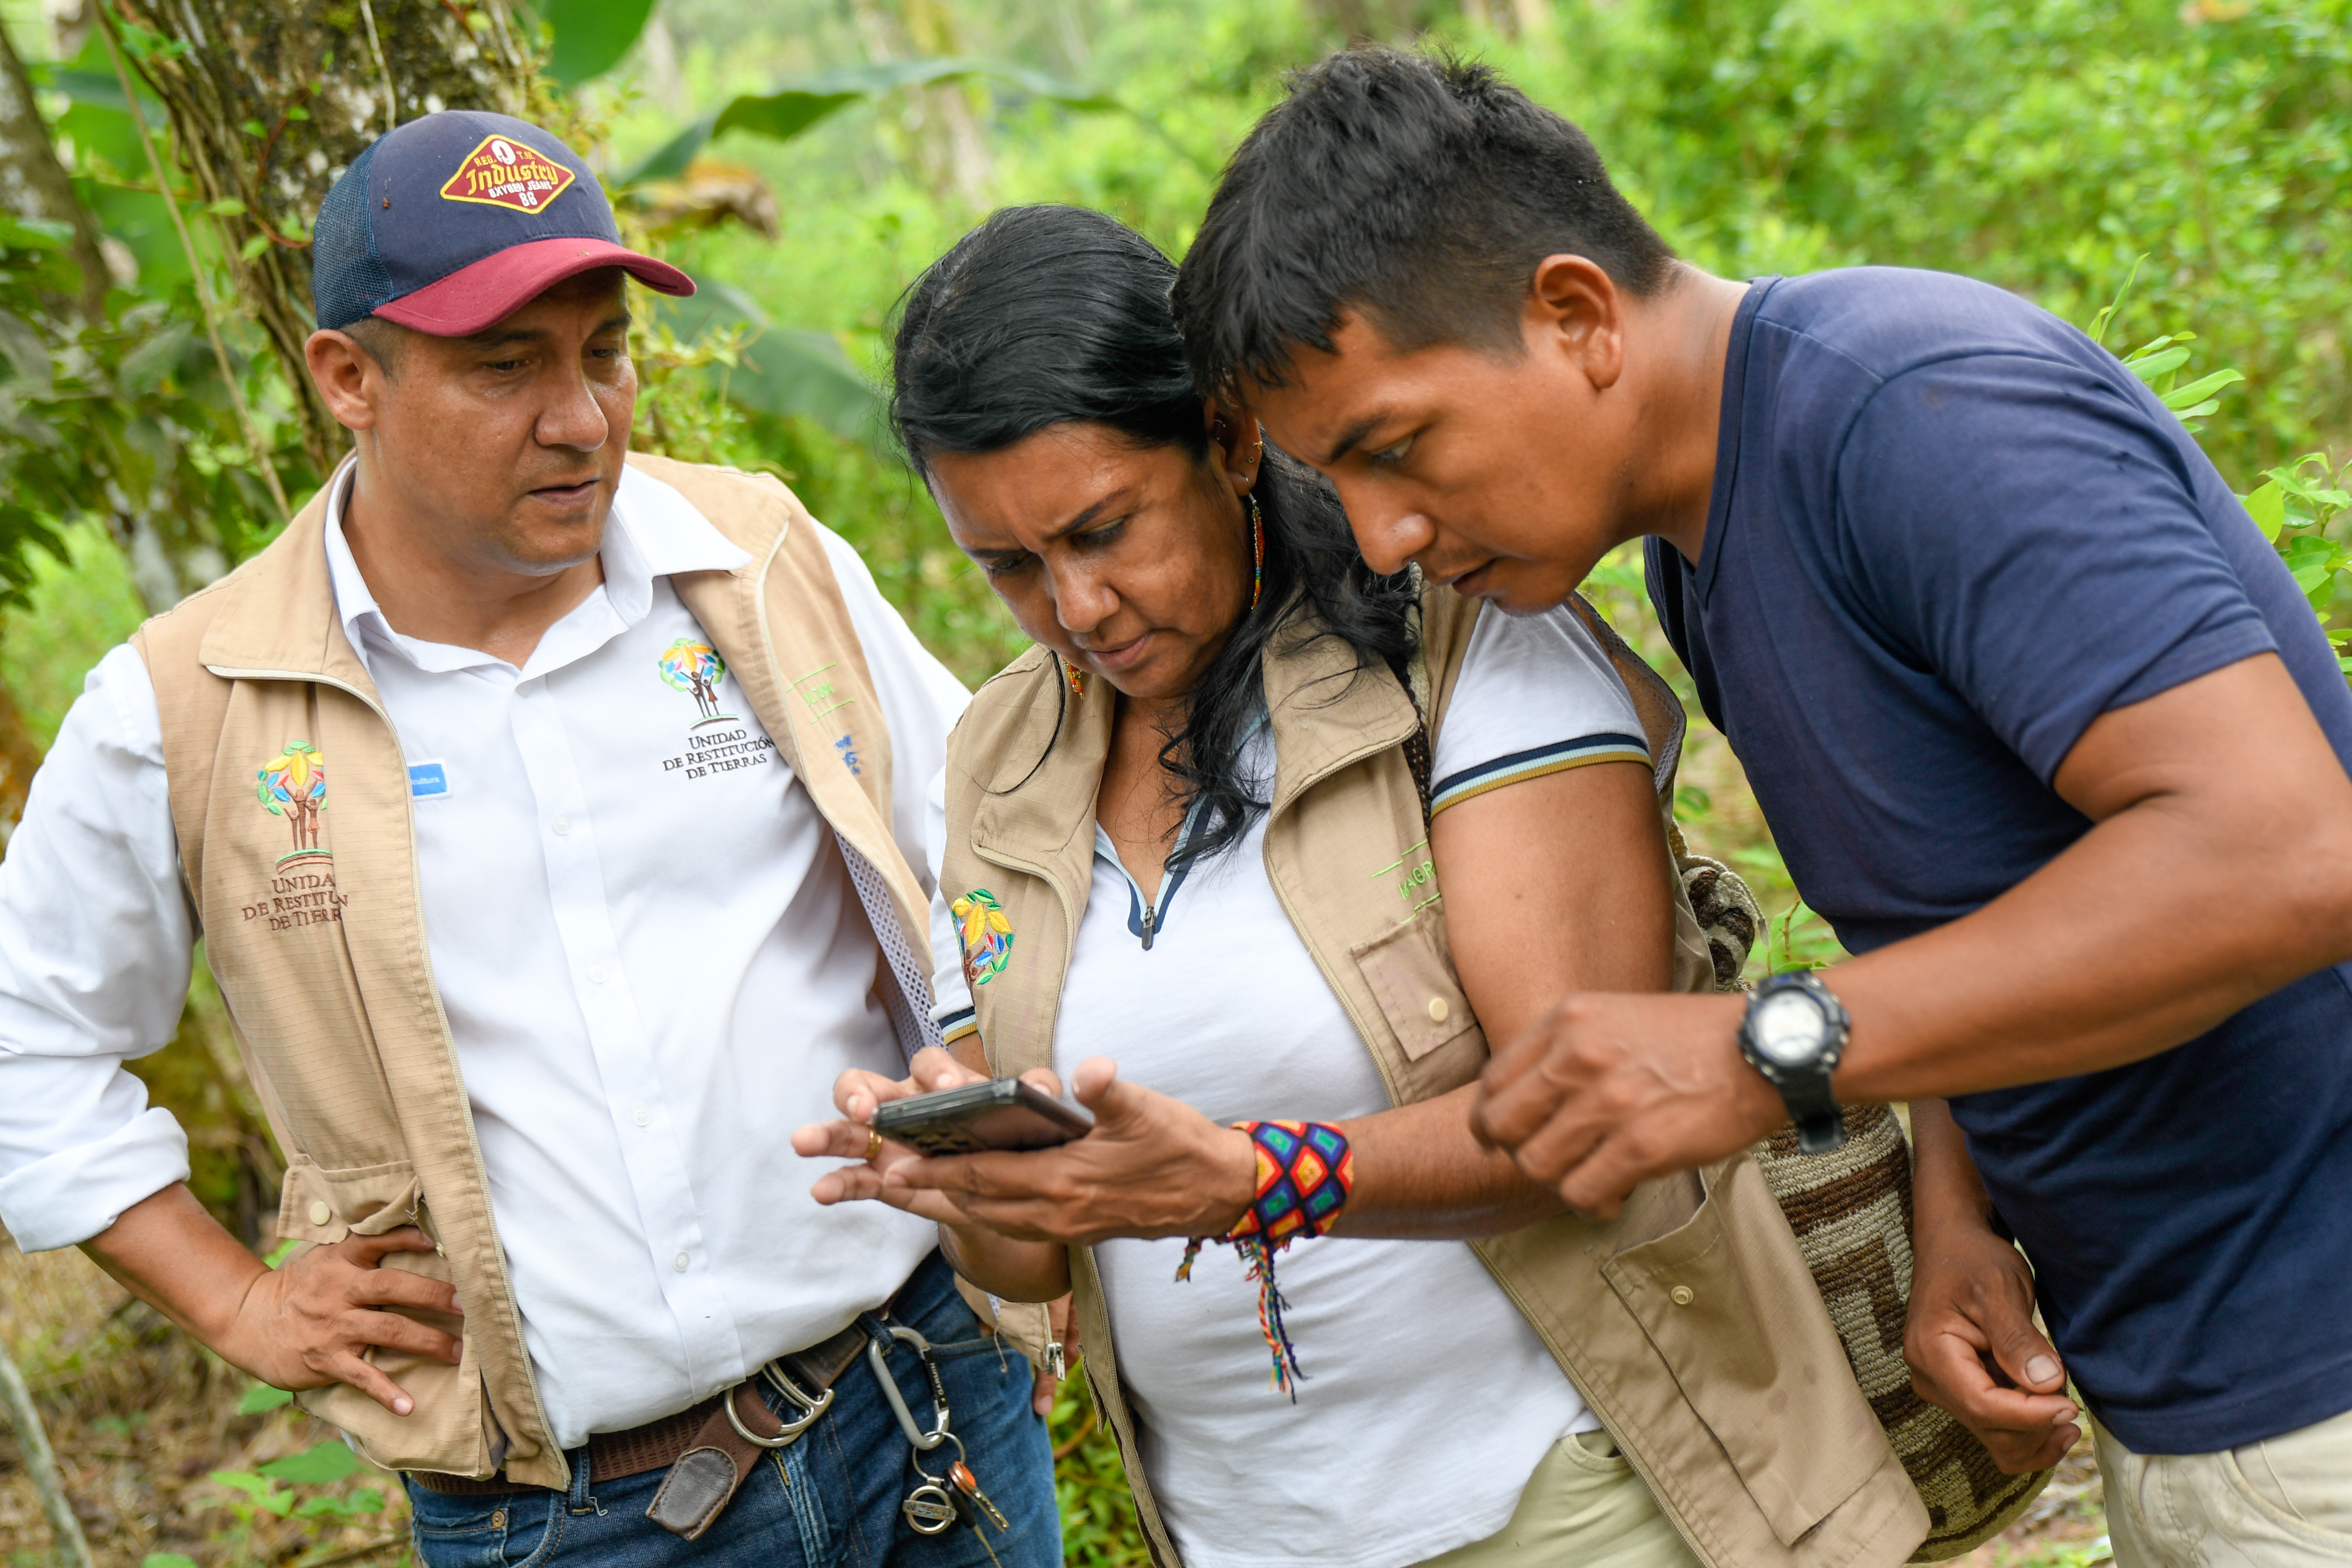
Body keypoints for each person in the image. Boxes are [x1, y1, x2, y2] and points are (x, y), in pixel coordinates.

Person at [1165, 46, 2352, 1566]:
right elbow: (1974, 904)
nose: (1385, 537)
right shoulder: (1700, 542)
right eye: (1344, 480)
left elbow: (2286, 853)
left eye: (1399, 448)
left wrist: (1769, 1049)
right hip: (2183, 1384)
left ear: (1576, 314)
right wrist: (1961, 1203)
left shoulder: (1914, 416)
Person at [793, 203, 1933, 1568]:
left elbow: (1595, 1112)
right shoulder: (1001, 760)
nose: (1078, 608)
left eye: (1105, 530)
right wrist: (976, 1185)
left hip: (1579, 1498)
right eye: (1011, 569)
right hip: (1240, 1535)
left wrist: (1242, 1178)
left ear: (1226, 438)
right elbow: (1034, 1272)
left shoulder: (1458, 645)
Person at [0, 110, 1057, 1568]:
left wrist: (983, 1078)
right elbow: (26, 1046)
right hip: (570, 1522)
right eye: (506, 368)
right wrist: (242, 1305)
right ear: (348, 379)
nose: (581, 418)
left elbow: (984, 840)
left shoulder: (754, 562)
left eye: (603, 352)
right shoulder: (195, 705)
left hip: (923, 1404)